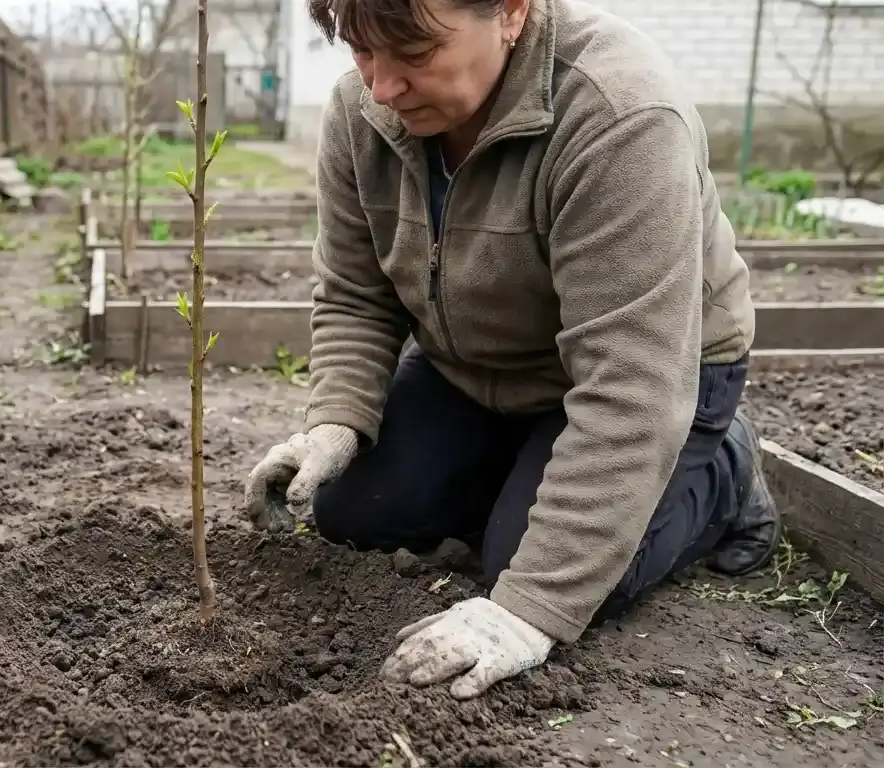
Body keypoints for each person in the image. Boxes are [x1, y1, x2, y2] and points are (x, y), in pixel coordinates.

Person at [243, 0, 783, 700]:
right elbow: (356, 293)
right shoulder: (361, 111)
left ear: (511, 11)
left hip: (653, 372)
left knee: (546, 573)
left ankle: (725, 477)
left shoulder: (618, 115)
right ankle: (529, 472)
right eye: (362, 50)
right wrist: (336, 422)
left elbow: (631, 389)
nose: (382, 87)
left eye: (415, 53)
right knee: (355, 512)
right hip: (478, 369)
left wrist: (529, 610)